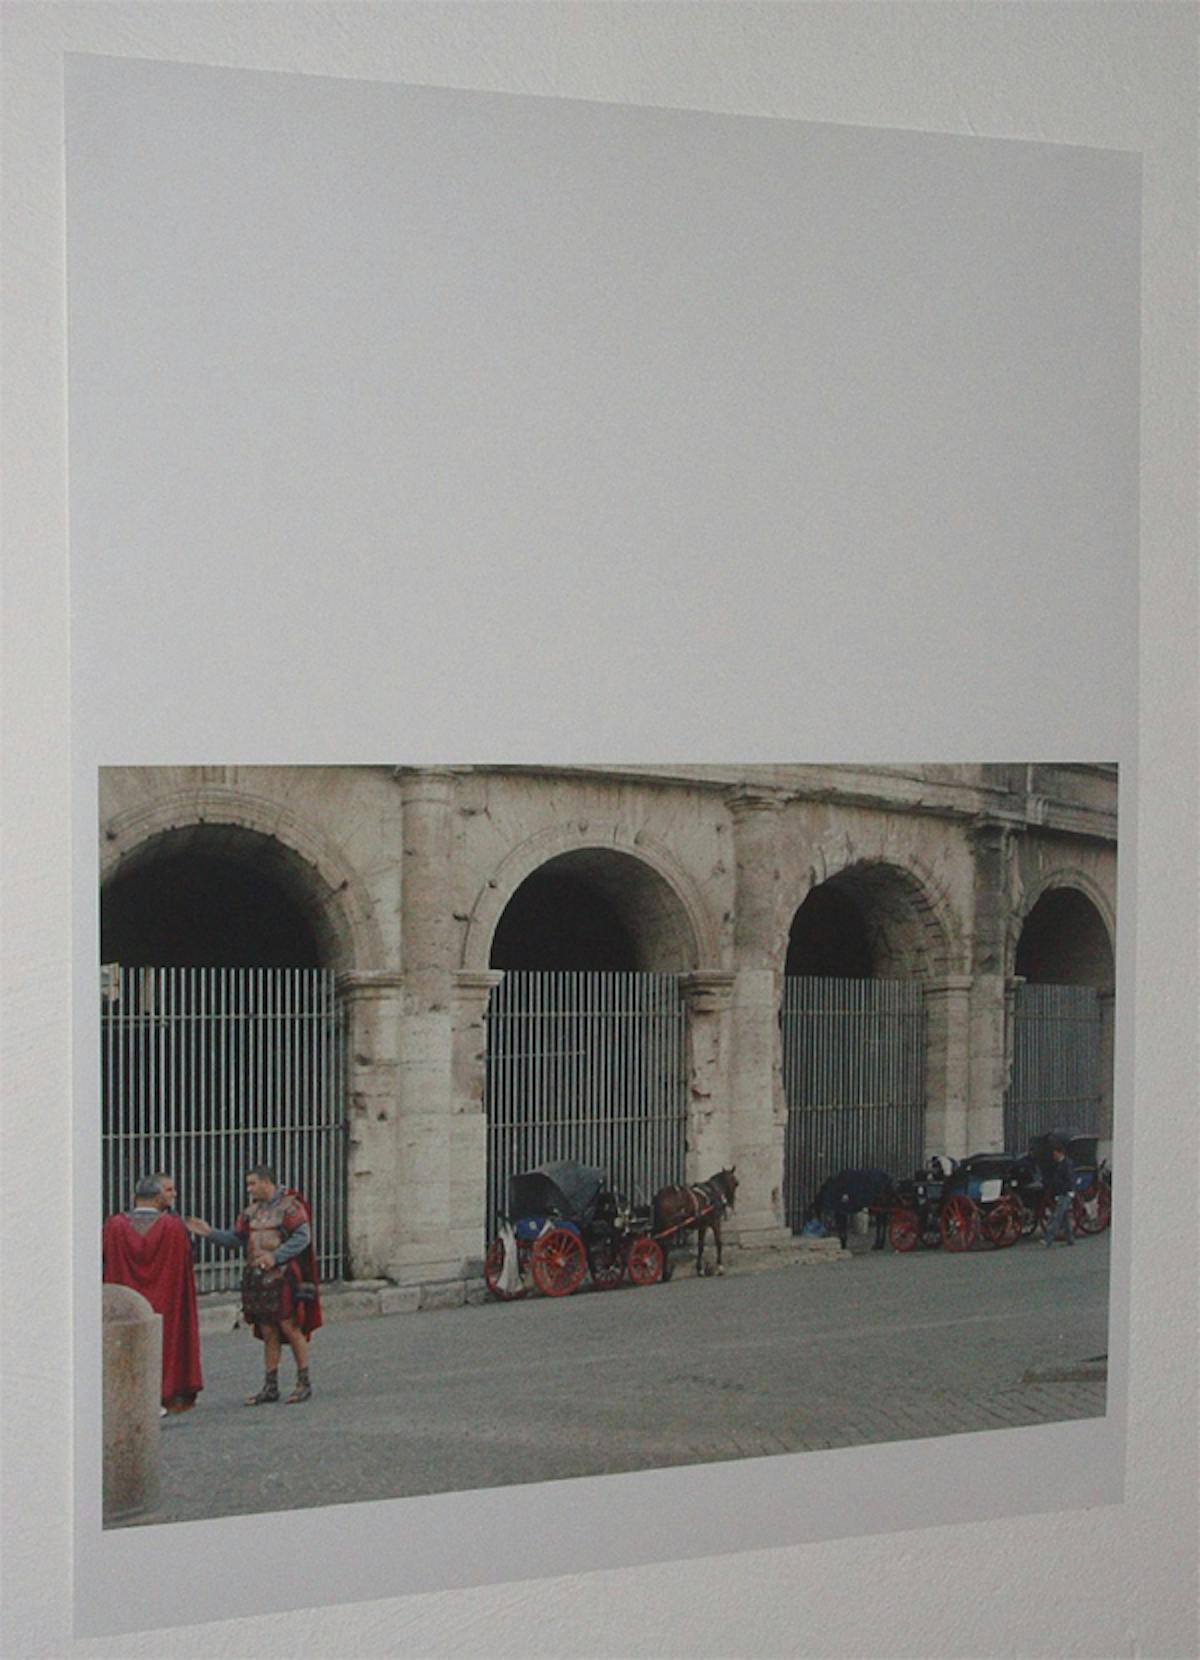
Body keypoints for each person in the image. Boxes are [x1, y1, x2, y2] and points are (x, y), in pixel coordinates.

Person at [187, 1165, 322, 1404]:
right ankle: (270, 1386)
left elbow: (302, 1237)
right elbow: (237, 1240)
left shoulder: (290, 1207)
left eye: (252, 1183)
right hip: (257, 1278)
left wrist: (276, 1257)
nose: (249, 1189)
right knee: (268, 1329)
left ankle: (303, 1383)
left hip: (282, 1276)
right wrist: (209, 1233)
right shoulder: (250, 1212)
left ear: (266, 1182)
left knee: (290, 1327)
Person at [102, 1171, 203, 1415]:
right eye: (169, 1190)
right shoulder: (173, 1226)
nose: (174, 1194)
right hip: (166, 1301)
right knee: (164, 1345)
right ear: (157, 1197)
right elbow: (186, 1260)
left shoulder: (114, 1225)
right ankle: (159, 1395)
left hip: (125, 1302)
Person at [1042, 1139, 1077, 1247]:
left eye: (1055, 1154)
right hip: (1063, 1192)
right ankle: (1070, 1239)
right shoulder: (1062, 1163)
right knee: (1064, 1218)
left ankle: (1048, 1239)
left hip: (1066, 1193)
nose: (1054, 1156)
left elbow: (1069, 1179)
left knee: (1057, 1217)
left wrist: (1068, 1190)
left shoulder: (1066, 1164)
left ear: (1060, 1153)